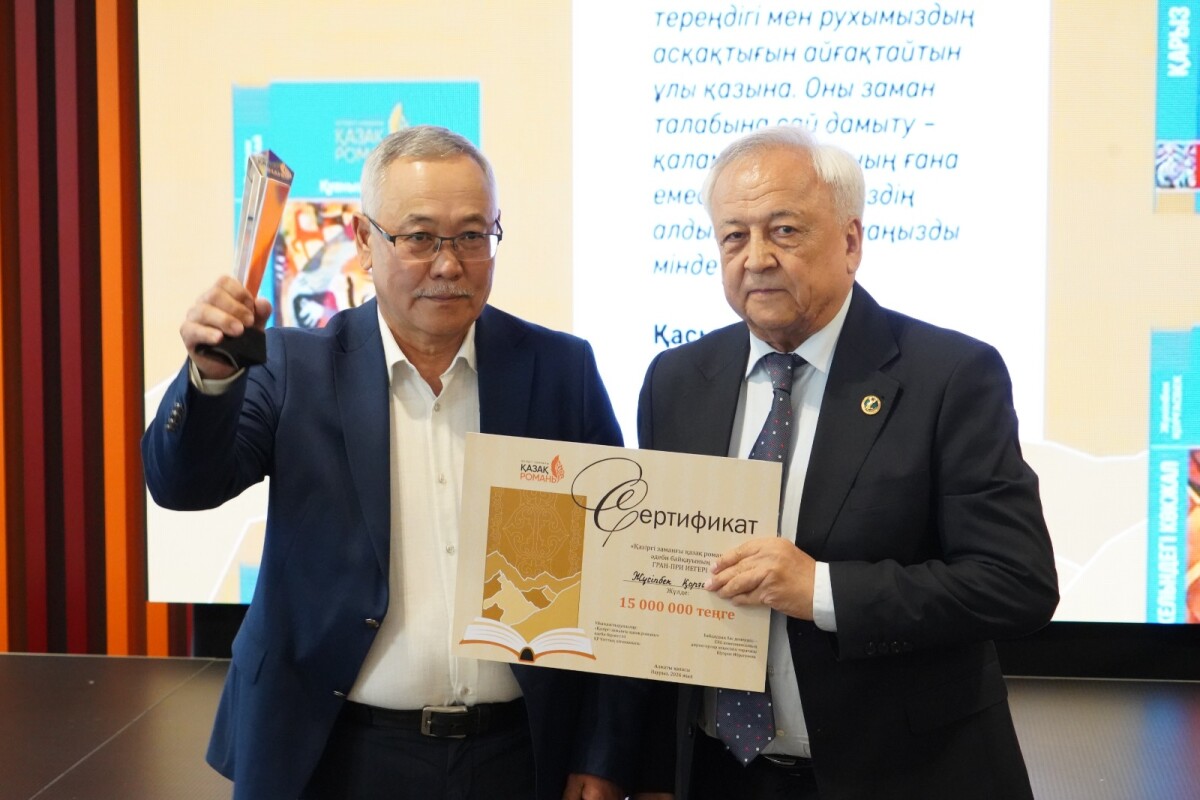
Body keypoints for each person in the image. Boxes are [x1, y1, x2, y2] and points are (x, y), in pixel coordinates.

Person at [143, 125, 647, 800]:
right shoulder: (295, 368)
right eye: (420, 237)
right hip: (334, 753)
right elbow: (184, 485)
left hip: (517, 754)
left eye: (472, 235)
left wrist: (603, 754)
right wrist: (211, 377)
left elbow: (614, 571)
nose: (449, 264)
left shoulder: (559, 371)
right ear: (364, 242)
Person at [635, 125, 1059, 799]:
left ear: (851, 241)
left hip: (906, 776)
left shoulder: (950, 377)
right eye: (734, 236)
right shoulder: (677, 380)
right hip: (722, 774)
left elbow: (1016, 583)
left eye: (784, 231)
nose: (757, 259)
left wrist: (822, 591)